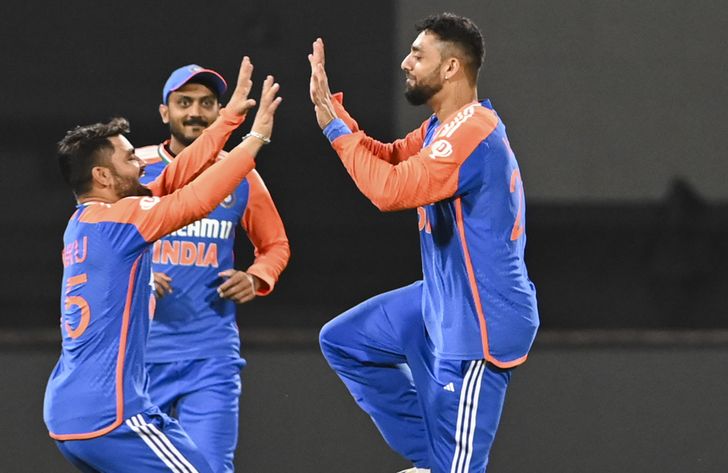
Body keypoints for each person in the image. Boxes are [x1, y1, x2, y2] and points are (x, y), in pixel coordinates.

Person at [308, 13, 539, 473]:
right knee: (346, 342)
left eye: (418, 54)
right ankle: (434, 459)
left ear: (451, 67)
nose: (404, 63)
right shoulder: (443, 127)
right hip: (440, 300)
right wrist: (340, 121)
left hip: (480, 322)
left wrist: (337, 132)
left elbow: (390, 190)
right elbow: (390, 157)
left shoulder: (474, 132)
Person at [43, 58, 283, 473]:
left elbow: (173, 179)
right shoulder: (124, 219)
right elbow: (194, 199)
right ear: (102, 175)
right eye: (129, 158)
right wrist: (256, 136)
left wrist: (226, 122)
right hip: (113, 411)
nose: (140, 163)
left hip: (71, 410)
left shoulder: (89, 220)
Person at [135, 64, 290, 473]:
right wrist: (138, 276)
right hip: (139, 355)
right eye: (184, 103)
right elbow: (98, 243)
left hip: (211, 356)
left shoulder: (240, 171)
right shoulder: (134, 167)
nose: (195, 113)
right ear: (164, 112)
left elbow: (275, 245)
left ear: (220, 110)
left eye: (206, 103)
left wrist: (256, 277)